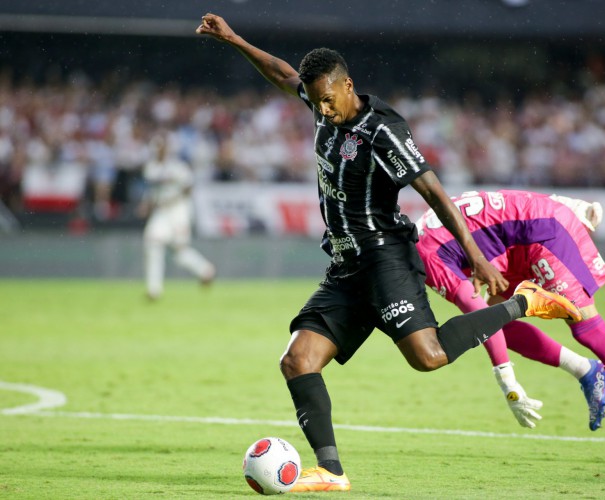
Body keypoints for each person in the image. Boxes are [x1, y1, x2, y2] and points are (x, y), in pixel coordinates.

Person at [197, 13, 581, 492]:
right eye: (314, 102)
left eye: (328, 100)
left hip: (386, 259)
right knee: (297, 361)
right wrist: (233, 39)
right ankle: (332, 472)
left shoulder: (383, 132)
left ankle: (525, 301)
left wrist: (476, 255)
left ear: (348, 85)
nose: (321, 110)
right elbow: (282, 74)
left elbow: (435, 193)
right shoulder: (320, 102)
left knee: (429, 356)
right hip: (346, 266)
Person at [415, 189, 605, 465]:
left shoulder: (424, 256)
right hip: (514, 245)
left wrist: (507, 382)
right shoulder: (419, 228)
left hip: (543, 233)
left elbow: (473, 307)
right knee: (498, 322)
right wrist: (565, 202)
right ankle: (586, 370)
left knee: (586, 328)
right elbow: (500, 202)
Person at [141, 133, 215, 301]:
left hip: (178, 209)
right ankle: (154, 290)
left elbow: (189, 187)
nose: (160, 151)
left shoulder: (178, 167)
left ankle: (205, 270)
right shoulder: (151, 168)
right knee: (152, 243)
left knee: (180, 252)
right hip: (161, 211)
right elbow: (152, 192)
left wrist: (173, 198)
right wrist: (146, 204)